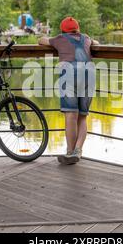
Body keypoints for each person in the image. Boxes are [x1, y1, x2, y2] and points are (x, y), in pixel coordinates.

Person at [39, 17, 99, 165]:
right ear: (77, 29)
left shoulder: (60, 39)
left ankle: (70, 152)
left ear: (63, 30)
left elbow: (42, 40)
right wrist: (92, 41)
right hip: (88, 75)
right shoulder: (86, 38)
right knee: (82, 116)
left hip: (70, 76)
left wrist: (45, 38)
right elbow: (95, 43)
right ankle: (78, 150)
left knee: (71, 115)